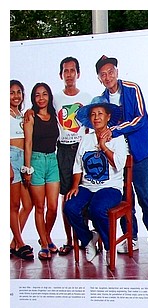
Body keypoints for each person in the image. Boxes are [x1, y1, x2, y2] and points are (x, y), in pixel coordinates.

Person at [95, 55, 148, 259]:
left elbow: (140, 119)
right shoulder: (102, 99)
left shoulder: (132, 88)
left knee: (145, 197)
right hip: (118, 157)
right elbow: (101, 125)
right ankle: (131, 238)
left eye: (110, 72)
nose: (108, 76)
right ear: (99, 78)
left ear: (117, 72)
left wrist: (115, 130)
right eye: (103, 74)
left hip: (139, 153)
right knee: (125, 200)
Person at [64, 96, 129, 265]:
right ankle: (88, 240)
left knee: (97, 209)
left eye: (100, 113)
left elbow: (119, 164)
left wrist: (103, 146)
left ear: (108, 117)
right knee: (70, 207)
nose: (96, 117)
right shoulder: (85, 139)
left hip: (110, 188)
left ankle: (109, 246)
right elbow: (78, 165)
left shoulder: (118, 138)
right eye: (93, 114)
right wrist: (74, 186)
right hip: (87, 186)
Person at [54, 56, 92, 256]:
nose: (69, 74)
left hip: (82, 149)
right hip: (64, 150)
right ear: (61, 75)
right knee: (66, 197)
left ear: (78, 73)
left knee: (83, 194)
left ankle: (84, 239)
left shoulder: (86, 98)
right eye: (65, 71)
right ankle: (70, 240)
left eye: (72, 70)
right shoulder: (55, 98)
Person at [22, 82, 60, 261]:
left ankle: (46, 235)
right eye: (37, 95)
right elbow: (28, 143)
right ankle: (45, 244)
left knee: (52, 207)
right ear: (33, 98)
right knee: (40, 207)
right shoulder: (30, 117)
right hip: (36, 161)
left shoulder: (54, 115)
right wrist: (27, 169)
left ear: (49, 96)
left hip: (52, 160)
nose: (41, 98)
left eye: (44, 94)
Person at [9, 79, 34, 260]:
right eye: (11, 92)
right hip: (10, 157)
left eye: (19, 92)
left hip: (22, 159)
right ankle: (20, 243)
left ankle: (13, 244)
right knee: (14, 205)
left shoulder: (20, 114)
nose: (16, 95)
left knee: (28, 204)